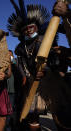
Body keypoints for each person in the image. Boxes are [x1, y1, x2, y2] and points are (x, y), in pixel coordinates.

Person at [7, 0, 58, 130]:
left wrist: (45, 70)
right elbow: (20, 63)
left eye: (31, 27)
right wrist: (24, 75)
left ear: (37, 27)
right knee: (32, 114)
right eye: (25, 29)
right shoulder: (21, 47)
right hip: (30, 82)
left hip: (47, 82)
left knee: (56, 113)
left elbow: (54, 60)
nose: (29, 31)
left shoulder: (44, 41)